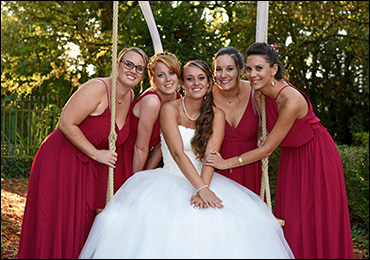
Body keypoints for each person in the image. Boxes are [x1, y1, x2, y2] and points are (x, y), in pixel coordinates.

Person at [78, 60, 294, 259]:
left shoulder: (217, 115)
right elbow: (177, 153)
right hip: (171, 178)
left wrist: (205, 187)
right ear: (183, 83)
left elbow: (211, 156)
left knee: (228, 224)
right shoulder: (169, 109)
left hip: (205, 178)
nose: (195, 83)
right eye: (189, 78)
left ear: (209, 84)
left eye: (201, 78)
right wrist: (200, 189)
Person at [204, 42, 354, 259]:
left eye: (259, 68)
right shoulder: (259, 94)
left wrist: (225, 163)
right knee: (292, 218)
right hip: (291, 156)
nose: (253, 74)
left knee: (318, 217)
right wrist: (263, 136)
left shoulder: (290, 99)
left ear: (273, 69)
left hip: (316, 155)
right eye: (249, 68)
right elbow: (265, 131)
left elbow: (266, 150)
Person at [17, 47, 149, 259]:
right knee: (57, 222)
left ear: (143, 75)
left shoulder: (131, 95)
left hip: (87, 167)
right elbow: (66, 123)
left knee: (80, 225)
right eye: (128, 64)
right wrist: (96, 154)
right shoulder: (97, 88)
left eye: (139, 68)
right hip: (62, 160)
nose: (133, 70)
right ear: (118, 64)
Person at [118, 51, 182, 183]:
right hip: (125, 158)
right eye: (160, 75)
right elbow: (140, 148)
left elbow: (161, 145)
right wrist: (135, 182)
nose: (168, 79)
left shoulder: (178, 99)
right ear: (153, 80)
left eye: (171, 73)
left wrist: (146, 175)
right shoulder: (152, 102)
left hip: (143, 158)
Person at [211, 46, 262, 195]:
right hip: (217, 169)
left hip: (250, 167)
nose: (223, 75)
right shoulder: (206, 96)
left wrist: (262, 138)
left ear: (240, 70)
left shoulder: (256, 93)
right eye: (218, 69)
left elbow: (263, 127)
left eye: (229, 69)